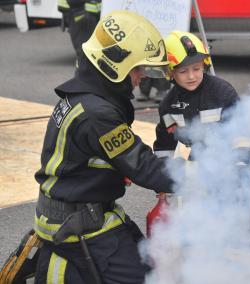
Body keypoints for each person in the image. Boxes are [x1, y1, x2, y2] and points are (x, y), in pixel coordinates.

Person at [33, 10, 174, 284]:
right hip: (78, 222)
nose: (142, 76)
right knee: (142, 278)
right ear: (115, 65)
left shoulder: (86, 96)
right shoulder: (97, 113)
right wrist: (203, 175)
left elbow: (89, 155)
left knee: (143, 255)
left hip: (76, 208)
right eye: (137, 67)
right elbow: (144, 166)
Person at [153, 31, 239, 159]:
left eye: (197, 69)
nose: (191, 76)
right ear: (170, 72)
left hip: (229, 157)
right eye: (183, 71)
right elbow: (165, 145)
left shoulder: (223, 93)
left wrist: (242, 163)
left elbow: (241, 134)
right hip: (199, 158)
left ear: (204, 65)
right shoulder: (169, 107)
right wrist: (162, 173)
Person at [57, 0, 102, 64]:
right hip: (80, 11)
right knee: (84, 54)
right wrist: (78, 11)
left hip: (86, 11)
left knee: (89, 52)